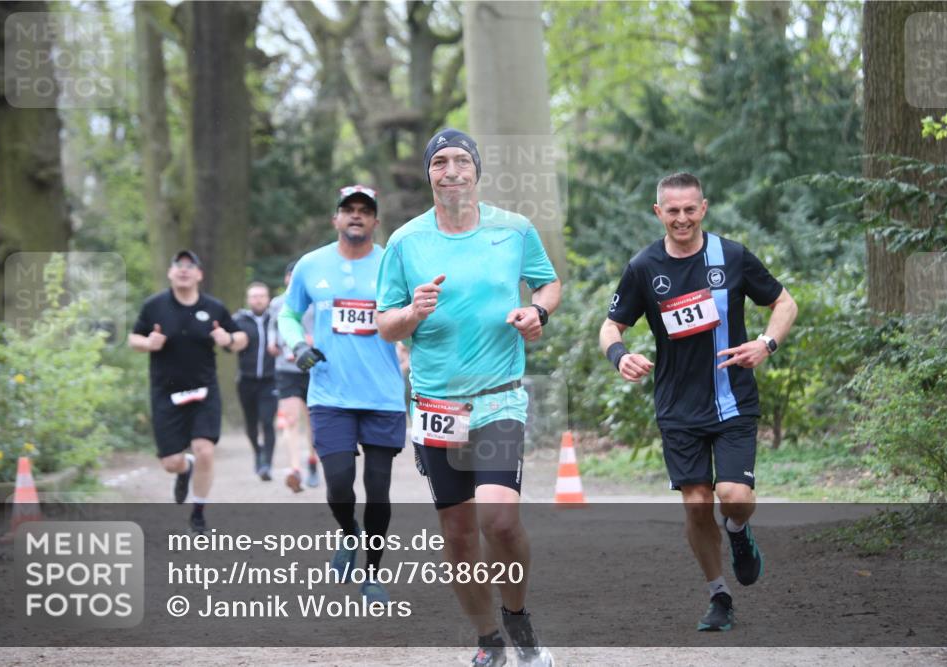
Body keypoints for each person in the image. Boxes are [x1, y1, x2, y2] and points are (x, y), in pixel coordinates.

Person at [376, 129, 561, 667]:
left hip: (499, 397)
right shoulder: (406, 242)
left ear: (476, 171)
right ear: (430, 174)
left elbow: (547, 285)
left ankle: (519, 619)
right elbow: (385, 324)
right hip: (437, 405)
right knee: (457, 535)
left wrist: (537, 313)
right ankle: (488, 642)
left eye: (461, 161)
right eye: (440, 162)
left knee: (498, 522)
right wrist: (412, 313)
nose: (451, 170)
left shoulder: (514, 230)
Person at [599, 172, 798, 632]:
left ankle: (737, 531)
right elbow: (611, 327)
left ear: (703, 208)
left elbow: (784, 303)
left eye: (690, 209)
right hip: (677, 406)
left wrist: (766, 344)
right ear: (658, 213)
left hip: (732, 399)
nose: (682, 218)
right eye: (673, 211)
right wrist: (621, 356)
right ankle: (719, 595)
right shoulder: (643, 267)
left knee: (734, 497)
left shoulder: (731, 256)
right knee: (695, 502)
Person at [279, 184, 407, 605]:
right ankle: (349, 532)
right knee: (337, 483)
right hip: (330, 392)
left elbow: (413, 316)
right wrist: (297, 345)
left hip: (383, 394)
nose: (356, 216)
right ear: (336, 219)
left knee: (379, 490)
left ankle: (372, 575)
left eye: (364, 211)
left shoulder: (393, 263)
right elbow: (289, 314)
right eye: (348, 210)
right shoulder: (311, 265)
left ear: (374, 221)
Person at [128, 250, 247, 534]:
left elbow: (242, 338)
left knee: (205, 450)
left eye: (189, 265)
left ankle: (199, 512)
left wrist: (228, 338)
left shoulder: (214, 308)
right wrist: (148, 344)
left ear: (199, 274)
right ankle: (184, 468)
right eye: (178, 265)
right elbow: (133, 338)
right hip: (166, 393)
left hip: (204, 391)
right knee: (170, 463)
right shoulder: (154, 306)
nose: (183, 270)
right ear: (170, 272)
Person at [267, 263, 320, 491]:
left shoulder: (316, 302)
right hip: (285, 369)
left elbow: (324, 331)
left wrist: (310, 341)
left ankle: (313, 462)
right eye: (291, 275)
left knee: (311, 420)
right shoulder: (277, 303)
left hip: (311, 368)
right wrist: (272, 343)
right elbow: (272, 326)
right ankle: (294, 469)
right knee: (290, 419)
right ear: (287, 278)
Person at [233, 281, 278, 480]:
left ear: (268, 298)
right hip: (246, 380)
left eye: (261, 295)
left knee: (268, 421)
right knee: (251, 424)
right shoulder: (238, 320)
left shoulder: (276, 319)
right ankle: (257, 451)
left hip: (271, 380)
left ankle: (267, 464)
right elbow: (228, 345)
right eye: (254, 296)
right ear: (248, 299)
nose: (258, 299)